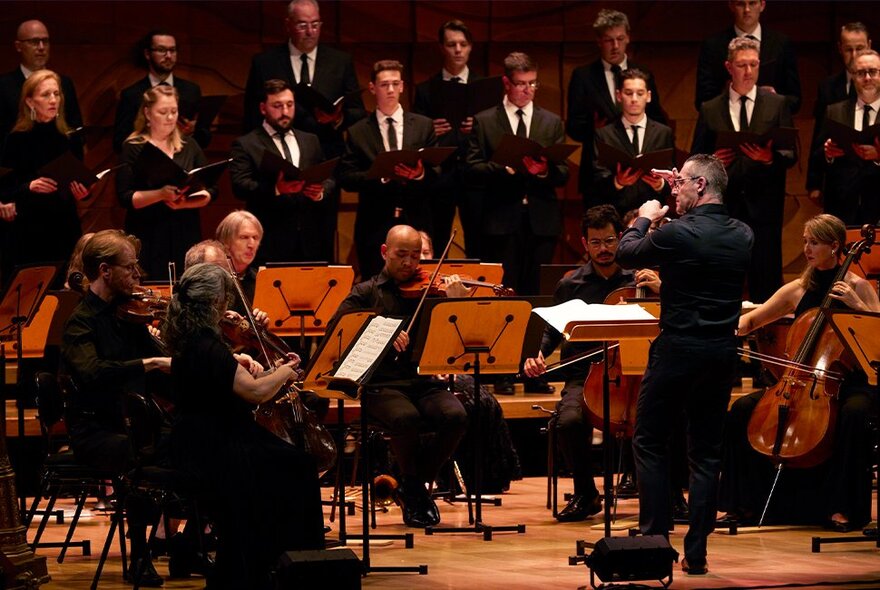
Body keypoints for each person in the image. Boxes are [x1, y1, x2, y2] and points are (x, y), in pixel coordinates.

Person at [616, 154, 753, 575]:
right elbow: (686, 239)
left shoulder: (680, 232)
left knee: (651, 441)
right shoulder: (743, 234)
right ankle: (697, 553)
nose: (674, 191)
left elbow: (626, 253)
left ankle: (656, 542)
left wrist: (644, 216)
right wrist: (675, 192)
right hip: (720, 354)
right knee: (706, 453)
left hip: (678, 349)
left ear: (700, 185)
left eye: (681, 185)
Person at [163, 262, 324, 590]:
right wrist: (288, 370)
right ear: (217, 303)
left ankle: (260, 561)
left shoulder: (193, 340)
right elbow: (254, 393)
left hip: (200, 438)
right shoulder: (208, 346)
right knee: (300, 466)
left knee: (288, 463)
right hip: (216, 445)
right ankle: (289, 566)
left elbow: (239, 384)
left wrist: (272, 373)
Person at [721, 214, 880, 532]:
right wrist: (723, 327)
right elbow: (751, 321)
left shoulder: (858, 287)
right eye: (805, 241)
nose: (807, 248)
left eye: (814, 242)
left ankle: (844, 508)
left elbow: (877, 336)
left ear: (835, 246)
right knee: (741, 410)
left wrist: (856, 305)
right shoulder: (798, 288)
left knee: (853, 414)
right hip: (803, 379)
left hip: (850, 382)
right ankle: (744, 504)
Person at [523, 205, 659, 521]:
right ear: (585, 244)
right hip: (584, 377)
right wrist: (537, 354)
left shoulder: (638, 279)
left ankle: (667, 496)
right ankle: (586, 494)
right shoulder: (570, 286)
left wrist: (658, 290)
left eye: (610, 241)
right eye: (595, 242)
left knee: (666, 415)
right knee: (566, 422)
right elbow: (551, 332)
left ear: (621, 238)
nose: (603, 249)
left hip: (636, 372)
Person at [332, 224, 468, 527]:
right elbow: (337, 332)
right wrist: (380, 332)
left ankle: (412, 485)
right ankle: (416, 489)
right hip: (380, 385)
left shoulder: (431, 291)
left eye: (416, 256)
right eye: (401, 255)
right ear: (385, 252)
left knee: (456, 415)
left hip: (421, 381)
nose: (409, 263)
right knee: (406, 418)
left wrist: (456, 302)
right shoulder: (365, 293)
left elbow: (455, 335)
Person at [61, 230, 172, 586]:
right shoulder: (80, 323)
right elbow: (92, 375)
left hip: (136, 425)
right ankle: (139, 556)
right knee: (142, 457)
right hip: (96, 432)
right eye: (131, 267)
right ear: (106, 270)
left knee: (197, 439)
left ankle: (187, 543)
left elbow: (166, 359)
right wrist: (147, 364)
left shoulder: (128, 316)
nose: (138, 274)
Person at [244, 0, 366, 261]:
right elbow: (251, 117)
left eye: (315, 24)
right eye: (302, 25)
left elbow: (358, 113)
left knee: (319, 242)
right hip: (275, 167)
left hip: (321, 166)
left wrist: (336, 118)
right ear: (288, 25)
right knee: (274, 245)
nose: (310, 31)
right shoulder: (265, 62)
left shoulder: (340, 61)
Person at [691, 36, 796, 304]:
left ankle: (769, 342)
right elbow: (695, 159)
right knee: (724, 279)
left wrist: (768, 156)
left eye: (753, 64)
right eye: (741, 65)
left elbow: (791, 153)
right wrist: (713, 161)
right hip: (724, 208)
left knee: (767, 280)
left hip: (764, 206)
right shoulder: (711, 107)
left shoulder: (777, 103)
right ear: (729, 67)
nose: (748, 72)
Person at [465, 51, 568, 296]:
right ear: (506, 83)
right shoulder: (485, 121)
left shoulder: (551, 122)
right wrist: (505, 168)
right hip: (500, 220)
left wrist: (543, 171)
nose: (527, 89)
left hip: (541, 220)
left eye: (532, 83)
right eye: (521, 84)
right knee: (504, 288)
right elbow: (471, 168)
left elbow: (563, 173)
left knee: (537, 290)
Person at [338, 60, 438, 279]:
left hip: (416, 218)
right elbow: (346, 177)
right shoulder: (358, 132)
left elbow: (438, 174)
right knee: (376, 287)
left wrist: (419, 175)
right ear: (373, 88)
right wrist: (379, 176)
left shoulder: (423, 125)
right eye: (384, 85)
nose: (391, 90)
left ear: (402, 86)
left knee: (420, 285)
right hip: (375, 224)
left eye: (395, 83)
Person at [567, 9, 666, 208]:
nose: (615, 46)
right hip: (600, 174)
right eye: (608, 40)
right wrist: (594, 129)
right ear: (598, 41)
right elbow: (573, 126)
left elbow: (657, 118)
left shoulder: (644, 74)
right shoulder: (583, 76)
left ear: (628, 38)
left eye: (620, 39)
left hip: (641, 176)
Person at [116, 84, 216, 280]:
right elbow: (125, 197)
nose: (170, 118)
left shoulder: (189, 145)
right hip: (148, 231)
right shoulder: (133, 147)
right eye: (163, 112)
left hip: (184, 228)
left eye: (174, 111)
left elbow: (211, 189)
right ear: (147, 113)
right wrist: (160, 194)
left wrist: (185, 203)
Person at [0, 70, 89, 287]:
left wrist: (84, 192)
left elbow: (80, 180)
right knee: (30, 290)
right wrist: (29, 186)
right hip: (29, 226)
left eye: (56, 94)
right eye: (45, 95)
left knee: (65, 289)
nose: (53, 100)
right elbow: (4, 188)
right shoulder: (16, 139)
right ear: (30, 101)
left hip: (63, 223)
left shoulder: (69, 138)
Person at [230, 79, 333, 264]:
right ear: (263, 108)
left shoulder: (310, 140)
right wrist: (276, 189)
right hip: (270, 240)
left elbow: (329, 178)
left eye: (289, 105)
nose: (285, 112)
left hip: (311, 241)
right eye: (277, 106)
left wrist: (320, 192)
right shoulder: (246, 144)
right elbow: (240, 186)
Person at [412, 19, 485, 258]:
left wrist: (479, 126)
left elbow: (496, 134)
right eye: (451, 44)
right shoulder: (426, 90)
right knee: (438, 238)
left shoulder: (484, 87)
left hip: (474, 176)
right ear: (442, 47)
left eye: (463, 44)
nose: (457, 50)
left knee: (478, 239)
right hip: (439, 177)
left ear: (470, 47)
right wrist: (429, 128)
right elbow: (413, 136)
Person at [591, 69, 675, 216]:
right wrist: (618, 182)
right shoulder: (604, 134)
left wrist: (660, 184)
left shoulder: (664, 133)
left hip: (653, 214)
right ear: (619, 95)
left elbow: (673, 174)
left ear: (648, 96)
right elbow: (596, 178)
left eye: (640, 93)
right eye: (628, 93)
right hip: (617, 213)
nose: (634, 99)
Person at [113, 29, 211, 153]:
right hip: (146, 164)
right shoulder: (131, 94)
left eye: (172, 50)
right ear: (147, 54)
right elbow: (119, 142)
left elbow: (205, 140)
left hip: (184, 161)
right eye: (161, 50)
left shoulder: (191, 90)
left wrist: (195, 131)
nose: (168, 56)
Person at [695, 0, 800, 114]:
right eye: (741, 4)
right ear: (731, 6)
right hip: (726, 125)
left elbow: (795, 100)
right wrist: (729, 93)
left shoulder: (782, 44)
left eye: (752, 3)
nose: (747, 10)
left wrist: (775, 100)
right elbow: (702, 101)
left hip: (771, 125)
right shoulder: (713, 46)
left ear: (762, 5)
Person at [814, 49, 880, 226]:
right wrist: (828, 153)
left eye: (872, 71)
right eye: (860, 73)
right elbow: (817, 154)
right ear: (853, 77)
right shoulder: (834, 111)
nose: (867, 78)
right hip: (842, 207)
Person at [807, 23, 871, 204]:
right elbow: (818, 137)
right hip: (840, 184)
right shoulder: (828, 87)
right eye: (849, 49)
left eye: (860, 48)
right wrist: (814, 184)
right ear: (840, 49)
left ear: (869, 46)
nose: (855, 55)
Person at [0, 20, 82, 143]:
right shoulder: (3, 86)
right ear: (18, 46)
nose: (41, 47)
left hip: (60, 156)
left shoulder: (64, 83)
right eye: (34, 42)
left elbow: (75, 130)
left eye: (45, 41)